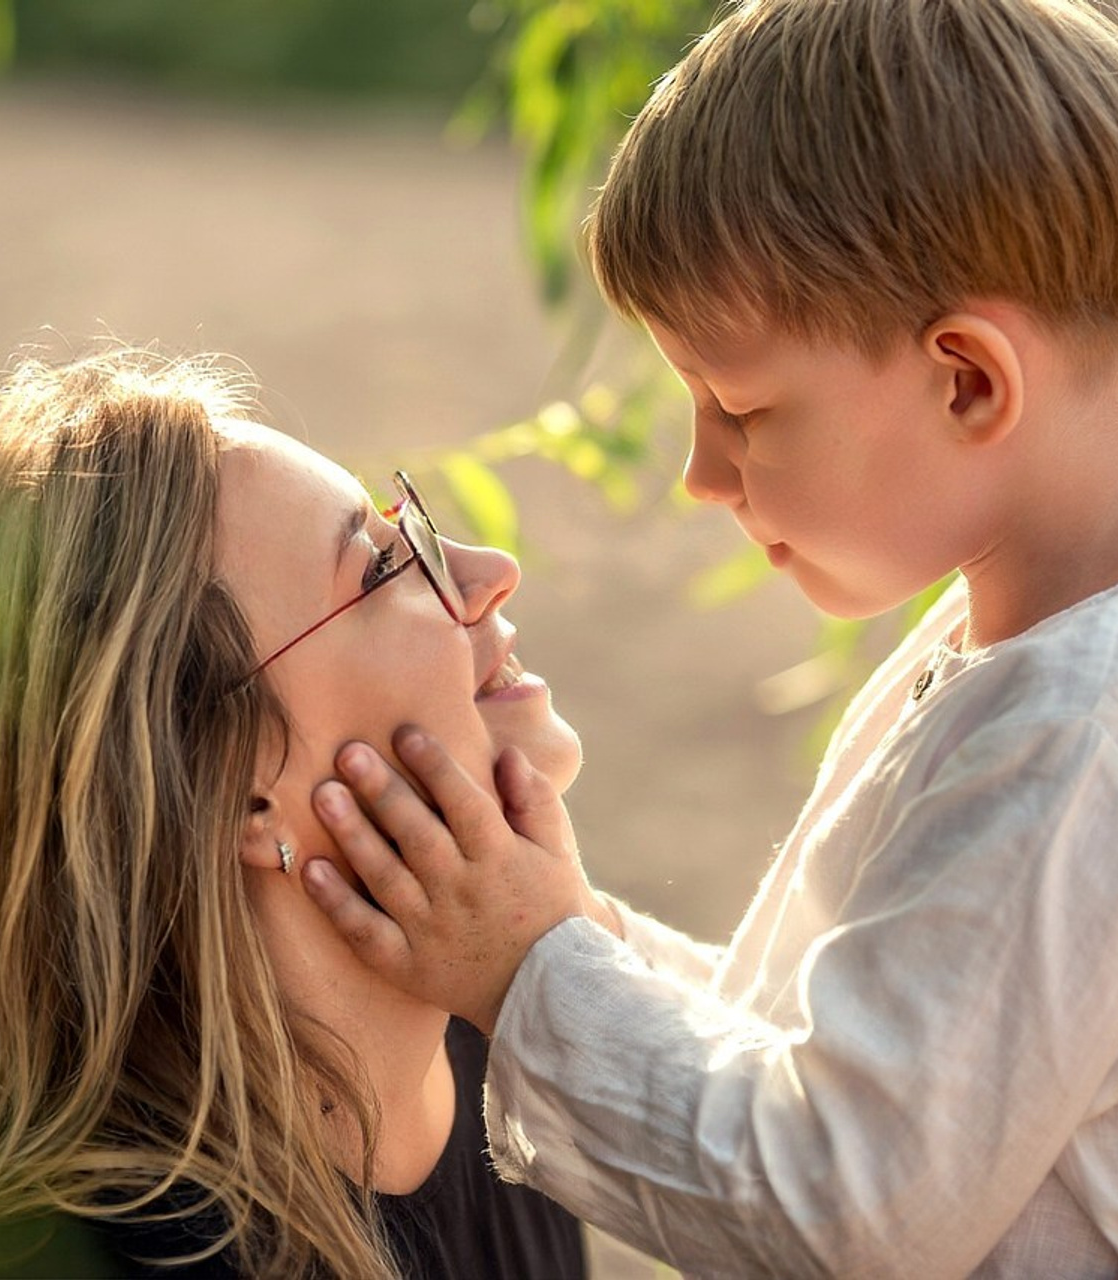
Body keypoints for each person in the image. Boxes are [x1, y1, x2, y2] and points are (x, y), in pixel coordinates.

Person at [298, 0, 1118, 1275]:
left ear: (964, 380)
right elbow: (810, 1051)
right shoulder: (1008, 650)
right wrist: (572, 928)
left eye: (739, 406)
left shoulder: (1077, 732)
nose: (699, 472)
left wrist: (528, 969)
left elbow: (841, 1207)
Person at [0, 346, 592, 1279]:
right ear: (233, 780)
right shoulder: (134, 1256)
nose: (489, 569)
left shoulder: (496, 1038)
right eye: (382, 568)